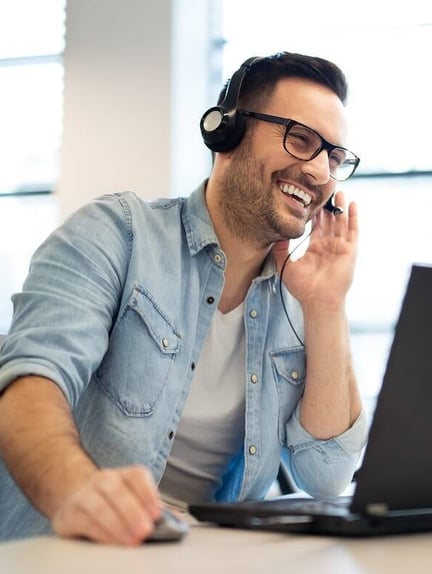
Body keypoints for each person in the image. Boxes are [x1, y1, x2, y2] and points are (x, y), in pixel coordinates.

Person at [0, 52, 367, 545]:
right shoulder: (116, 236)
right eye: (300, 140)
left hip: (216, 562)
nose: (320, 172)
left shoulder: (300, 296)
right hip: (82, 553)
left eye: (335, 158)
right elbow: (28, 384)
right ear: (226, 132)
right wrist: (75, 491)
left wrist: (326, 307)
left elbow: (326, 477)